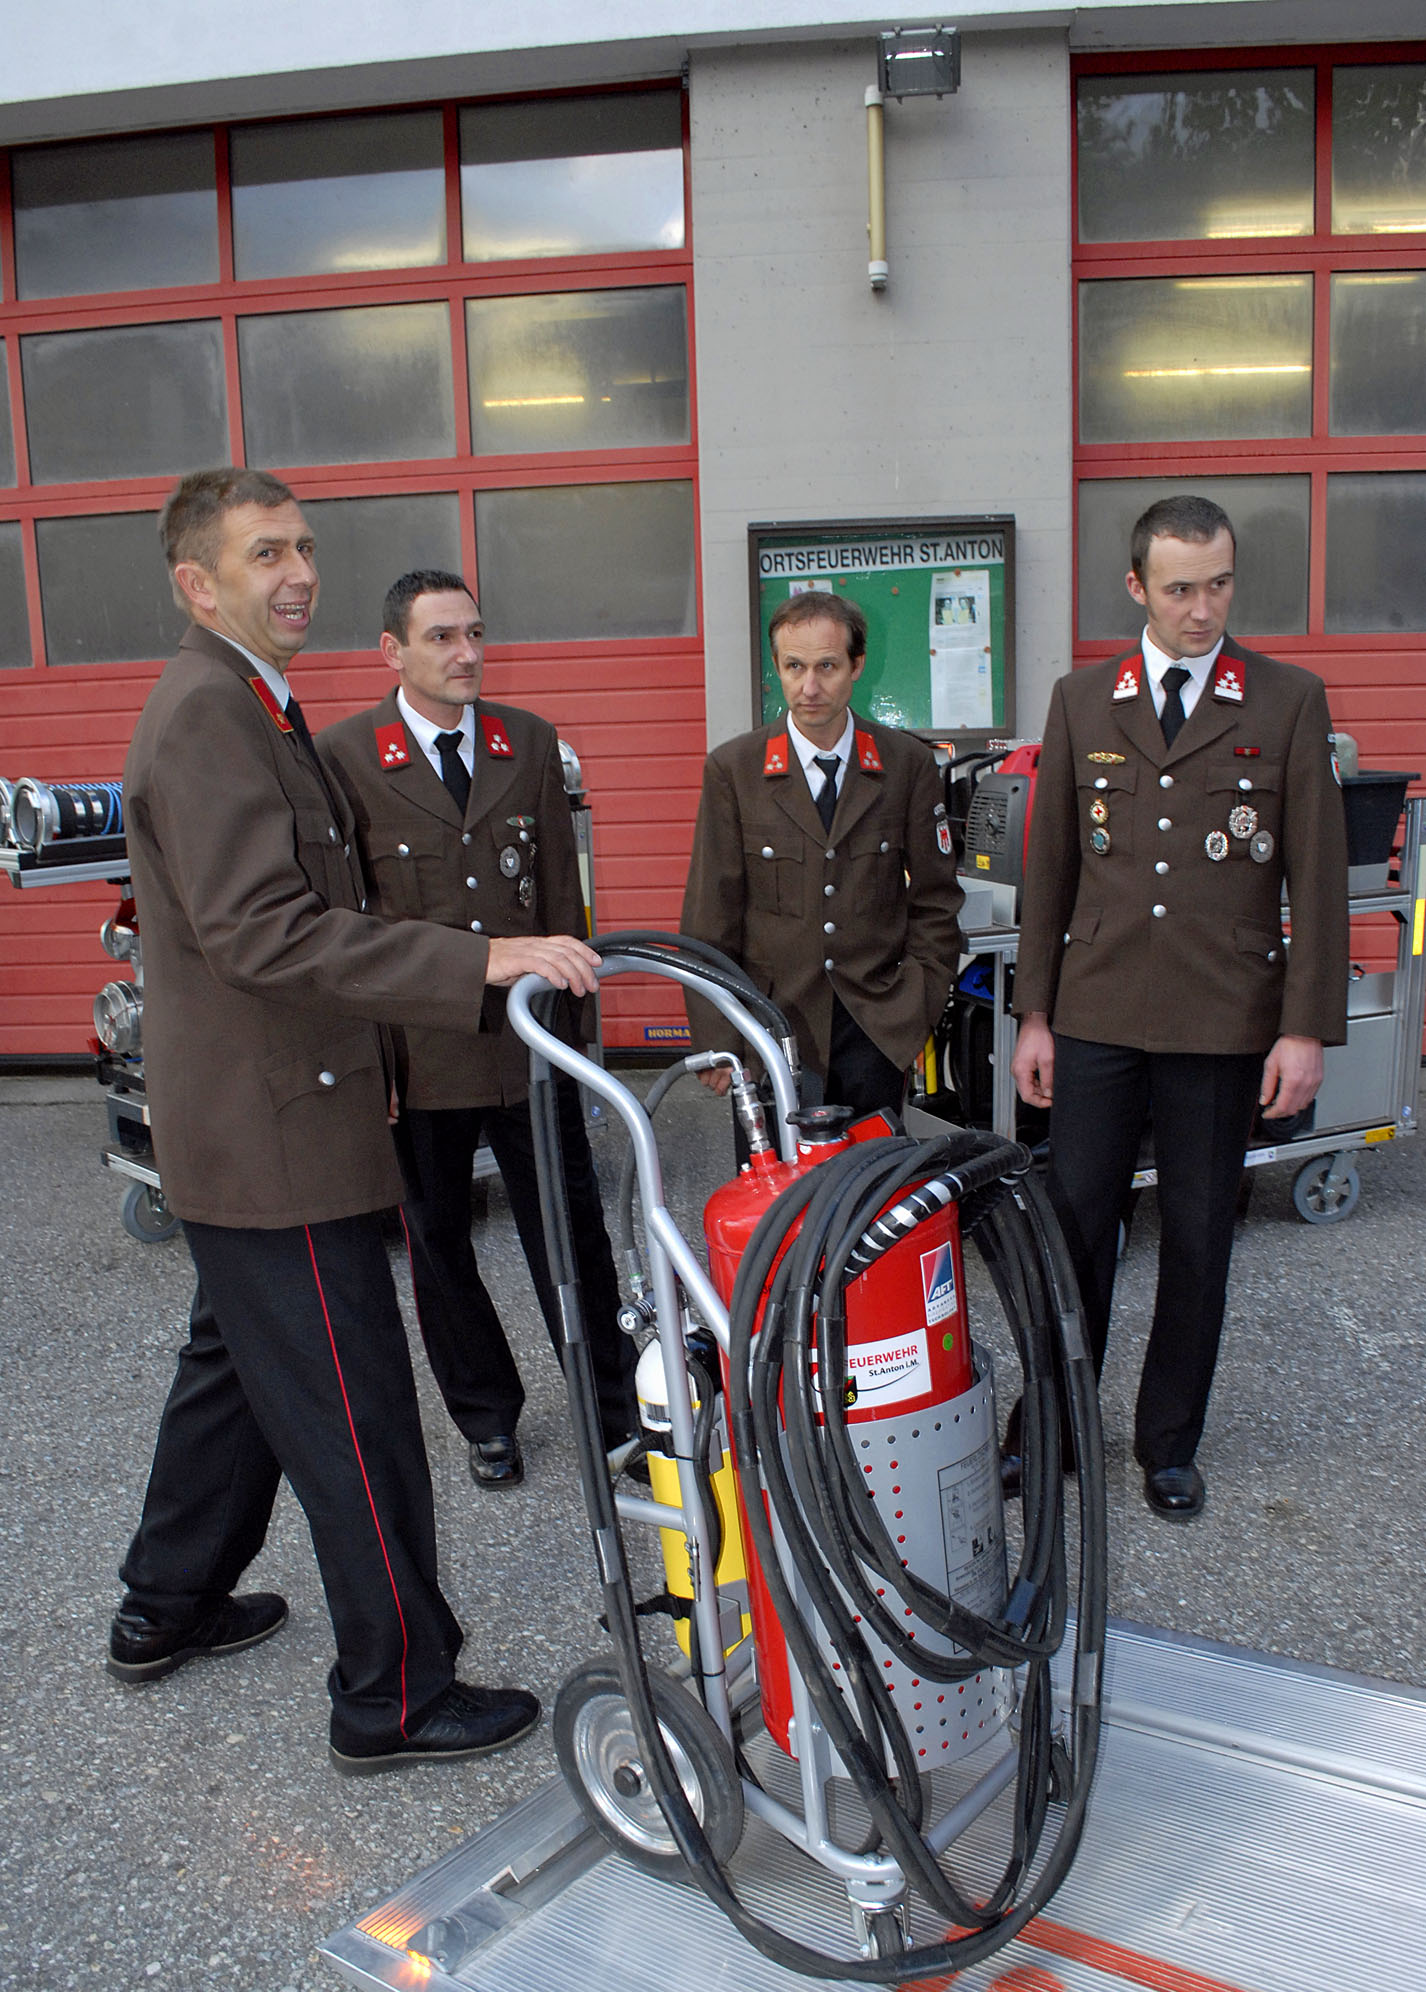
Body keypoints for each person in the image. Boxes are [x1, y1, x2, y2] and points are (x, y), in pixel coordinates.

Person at [108, 467, 600, 1774]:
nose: (299, 575)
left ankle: (164, 1603)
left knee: (234, 1376)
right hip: (276, 1137)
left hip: (257, 1123)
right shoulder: (210, 715)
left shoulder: (251, 704)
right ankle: (394, 1697)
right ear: (196, 583)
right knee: (355, 1415)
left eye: (304, 548)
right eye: (265, 554)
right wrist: (478, 958)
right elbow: (266, 933)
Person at [1011, 494, 1348, 1524]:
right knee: (1075, 1230)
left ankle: (1168, 1444)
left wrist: (1302, 1027)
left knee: (1199, 1237)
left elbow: (1316, 879)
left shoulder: (1286, 701)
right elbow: (1050, 869)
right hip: (1098, 1011)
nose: (1203, 609)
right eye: (1180, 589)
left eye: (1219, 585)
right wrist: (1034, 1016)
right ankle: (1055, 1425)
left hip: (1221, 1019)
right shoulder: (1082, 700)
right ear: (1136, 588)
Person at [317, 569, 638, 1490]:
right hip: (418, 1055)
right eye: (441, 637)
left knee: (571, 1235)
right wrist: (367, 1059)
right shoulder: (345, 757)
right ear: (392, 651)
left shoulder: (526, 742)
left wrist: (575, 1042)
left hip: (529, 1048)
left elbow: (562, 902)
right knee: (439, 1247)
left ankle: (614, 1412)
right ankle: (487, 1416)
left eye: (475, 634)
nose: (466, 654)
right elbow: (346, 925)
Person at [680, 590, 963, 1117]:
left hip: (877, 1028)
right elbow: (709, 918)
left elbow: (936, 902)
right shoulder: (735, 770)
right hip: (770, 1031)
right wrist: (718, 1038)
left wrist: (915, 1007)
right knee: (778, 1173)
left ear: (857, 666)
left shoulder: (906, 765)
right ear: (777, 668)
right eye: (795, 667)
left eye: (827, 666)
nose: (809, 687)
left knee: (875, 1169)